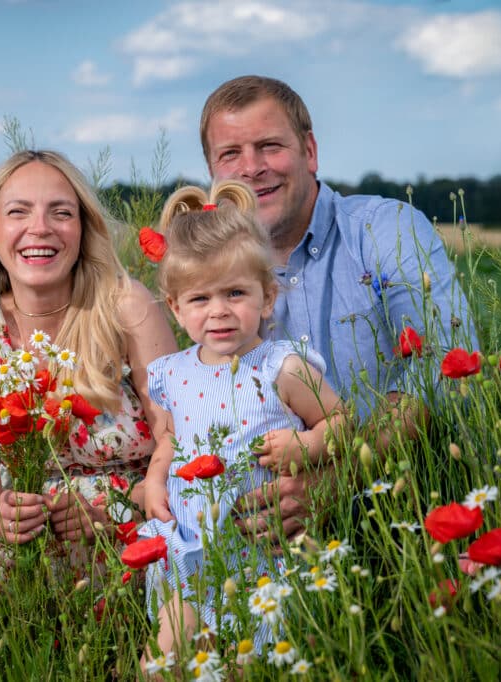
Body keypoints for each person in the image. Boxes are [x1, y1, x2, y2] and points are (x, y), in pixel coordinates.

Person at [0, 149, 177, 631]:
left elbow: (178, 433)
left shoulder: (124, 305)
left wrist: (115, 509)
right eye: (18, 212)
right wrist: (7, 522)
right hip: (26, 537)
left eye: (61, 212)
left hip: (137, 515)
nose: (41, 227)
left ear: (82, 232)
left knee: (184, 566)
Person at [200, 76, 478, 540]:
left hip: (411, 514)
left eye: (269, 146)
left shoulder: (385, 228)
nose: (251, 168)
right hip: (269, 539)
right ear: (212, 171)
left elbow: (441, 366)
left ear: (309, 151)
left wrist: (340, 476)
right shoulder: (207, 277)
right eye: (230, 154)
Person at [135, 180, 343, 662]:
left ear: (267, 298)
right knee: (169, 657)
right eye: (200, 299)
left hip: (260, 545)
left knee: (254, 656)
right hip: (190, 542)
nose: (219, 311)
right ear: (176, 307)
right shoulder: (173, 371)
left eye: (235, 293)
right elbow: (170, 439)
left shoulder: (283, 367)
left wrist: (306, 447)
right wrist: (154, 479)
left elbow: (339, 423)